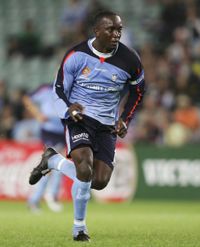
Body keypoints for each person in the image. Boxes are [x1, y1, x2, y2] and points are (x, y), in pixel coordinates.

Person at [28, 11, 145, 242]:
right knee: (84, 167)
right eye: (111, 29)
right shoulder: (76, 55)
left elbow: (139, 91)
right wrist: (69, 108)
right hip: (79, 118)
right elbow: (59, 89)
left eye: (119, 29)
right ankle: (79, 228)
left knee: (99, 181)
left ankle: (53, 160)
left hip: (107, 124)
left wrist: (125, 119)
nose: (116, 34)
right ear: (97, 31)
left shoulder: (130, 59)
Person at [23, 84, 65, 213]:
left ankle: (37, 200)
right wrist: (37, 115)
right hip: (49, 130)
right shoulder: (45, 89)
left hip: (63, 131)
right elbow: (27, 99)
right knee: (51, 164)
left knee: (55, 164)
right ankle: (48, 196)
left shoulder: (70, 88)